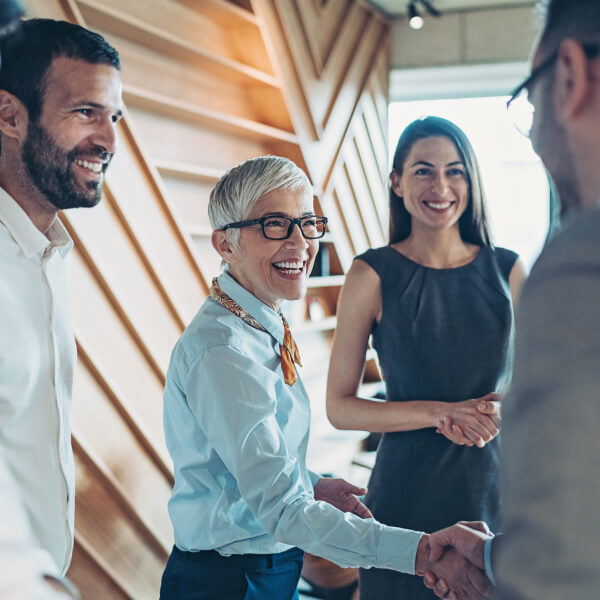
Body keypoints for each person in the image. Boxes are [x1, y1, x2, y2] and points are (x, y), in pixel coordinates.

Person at [159, 155, 492, 600]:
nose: (300, 243)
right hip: (226, 582)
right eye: (274, 224)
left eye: (307, 222)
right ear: (225, 244)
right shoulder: (225, 351)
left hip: (270, 568)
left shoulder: (259, 320)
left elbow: (247, 462)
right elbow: (282, 511)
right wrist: (424, 552)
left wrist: (310, 483)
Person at [423, 0, 600, 598]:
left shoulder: (580, 262)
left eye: (530, 99)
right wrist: (496, 557)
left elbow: (565, 567)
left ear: (571, 76)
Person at [326, 116, 526, 599]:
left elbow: (539, 392)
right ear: (397, 181)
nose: (441, 186)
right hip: (403, 497)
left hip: (493, 489)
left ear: (471, 180)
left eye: (455, 171)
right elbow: (340, 407)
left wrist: (504, 410)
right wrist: (440, 413)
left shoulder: (509, 269)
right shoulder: (371, 273)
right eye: (423, 171)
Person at [0, 17, 123, 579]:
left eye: (114, 116)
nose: (110, 140)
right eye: (86, 113)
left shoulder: (50, 254)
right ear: (9, 116)